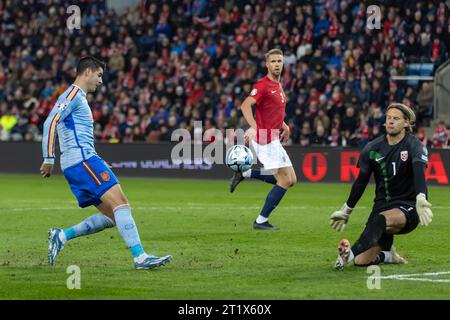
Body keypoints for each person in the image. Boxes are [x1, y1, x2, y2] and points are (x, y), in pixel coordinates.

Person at [40, 56, 172, 270]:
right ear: (87, 72)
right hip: (82, 161)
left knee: (112, 215)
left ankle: (61, 236)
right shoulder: (73, 94)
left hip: (79, 163)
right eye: (99, 75)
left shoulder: (78, 97)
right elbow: (50, 121)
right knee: (121, 203)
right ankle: (140, 258)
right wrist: (48, 157)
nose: (101, 81)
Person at [330, 103, 433, 270]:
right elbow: (361, 182)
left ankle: (348, 254)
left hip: (407, 208)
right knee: (362, 261)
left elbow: (419, 173)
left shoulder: (414, 145)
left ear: (406, 123)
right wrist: (346, 210)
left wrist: (421, 197)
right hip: (381, 207)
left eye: (396, 119)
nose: (391, 122)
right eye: (389, 118)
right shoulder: (372, 148)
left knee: (380, 220)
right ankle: (388, 255)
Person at [229, 49, 297, 230]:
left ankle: (245, 173)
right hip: (265, 139)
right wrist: (255, 126)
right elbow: (245, 105)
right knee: (285, 181)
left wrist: (284, 125)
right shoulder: (263, 85)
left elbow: (272, 110)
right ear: (267, 64)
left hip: (274, 136)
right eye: (273, 61)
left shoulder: (278, 85)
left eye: (279, 61)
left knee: (291, 179)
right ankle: (261, 221)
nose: (276, 64)